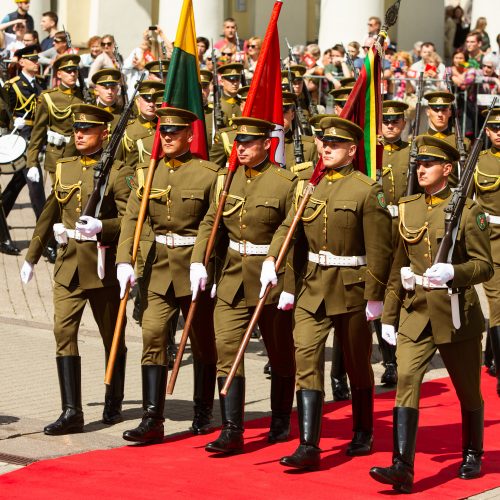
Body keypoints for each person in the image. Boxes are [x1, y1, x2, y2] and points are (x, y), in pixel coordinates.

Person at [264, 116, 392, 470]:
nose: (327, 148)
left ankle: (364, 430)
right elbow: (289, 226)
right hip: (312, 286)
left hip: (351, 287)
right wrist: (273, 257)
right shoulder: (309, 185)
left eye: (335, 144)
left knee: (356, 363)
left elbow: (380, 250)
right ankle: (309, 444)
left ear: (352, 150)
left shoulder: (367, 190)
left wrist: (375, 296)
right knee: (306, 357)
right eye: (324, 142)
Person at [370, 135, 493, 493]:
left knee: (468, 390)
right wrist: (389, 316)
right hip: (416, 311)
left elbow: (484, 266)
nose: (420, 169)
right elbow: (397, 266)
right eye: (419, 164)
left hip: (454, 313)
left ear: (448, 169)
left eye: (429, 164)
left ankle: (473, 451)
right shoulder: (408, 207)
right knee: (406, 380)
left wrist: (455, 273)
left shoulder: (470, 213)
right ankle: (402, 466)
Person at [20, 104, 133, 435]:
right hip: (68, 265)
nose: (79, 134)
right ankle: (72, 411)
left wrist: (102, 227)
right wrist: (31, 256)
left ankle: (113, 399)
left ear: (104, 133)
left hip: (102, 268)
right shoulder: (65, 167)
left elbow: (131, 221)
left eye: (87, 129)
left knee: (113, 337)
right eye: (76, 130)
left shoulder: (120, 173)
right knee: (63, 334)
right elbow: (48, 212)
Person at [191, 117, 298, 455]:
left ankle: (280, 420)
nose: (243, 148)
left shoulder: (285, 182)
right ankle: (232, 430)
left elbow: (291, 231)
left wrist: (282, 272)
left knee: (280, 355)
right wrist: (199, 260)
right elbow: (212, 221)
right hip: (234, 277)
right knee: (227, 350)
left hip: (270, 278)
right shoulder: (228, 178)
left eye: (250, 142)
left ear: (269, 143)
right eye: (239, 142)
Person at [117, 107, 221, 443]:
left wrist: (205, 261)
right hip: (159, 267)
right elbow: (133, 220)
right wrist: (123, 261)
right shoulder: (148, 173)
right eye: (163, 133)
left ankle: (203, 412)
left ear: (191, 136)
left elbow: (214, 223)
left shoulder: (208, 174)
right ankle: (152, 418)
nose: (167, 138)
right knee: (153, 335)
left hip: (195, 268)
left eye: (175, 133)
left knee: (204, 343)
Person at [2, 45, 46, 229]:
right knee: (36, 187)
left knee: (17, 184)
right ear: (21, 62)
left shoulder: (40, 86)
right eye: (32, 59)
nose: (36, 63)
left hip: (35, 139)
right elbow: (3, 113)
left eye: (37, 59)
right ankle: (46, 237)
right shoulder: (12, 85)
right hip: (20, 140)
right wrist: (14, 122)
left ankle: (1, 222)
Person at [473, 108, 500, 391]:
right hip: (491, 242)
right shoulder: (479, 161)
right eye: (494, 128)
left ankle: (491, 354)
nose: (499, 132)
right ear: (488, 132)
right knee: (497, 304)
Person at [26, 54, 83, 188]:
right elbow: (38, 131)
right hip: (58, 156)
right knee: (61, 195)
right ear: (59, 74)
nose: (72, 74)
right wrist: (32, 162)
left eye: (75, 71)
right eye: (68, 71)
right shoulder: (48, 97)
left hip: (80, 155)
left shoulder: (85, 95)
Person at [423, 90, 470, 187]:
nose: (440, 114)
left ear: (450, 113)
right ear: (428, 112)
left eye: (444, 110)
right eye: (436, 110)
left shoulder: (463, 142)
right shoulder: (420, 141)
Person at [217, 62, 242, 127]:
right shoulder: (216, 106)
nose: (235, 83)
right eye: (231, 80)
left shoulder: (244, 104)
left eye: (237, 79)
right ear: (222, 82)